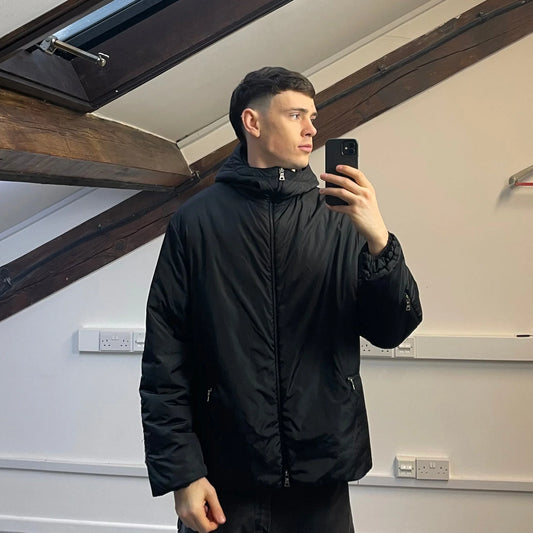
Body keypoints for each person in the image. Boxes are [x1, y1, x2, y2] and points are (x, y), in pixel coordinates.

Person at [140, 66, 422, 533]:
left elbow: (391, 330)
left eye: (313, 117)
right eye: (296, 115)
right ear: (252, 122)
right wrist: (182, 474)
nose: (311, 129)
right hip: (224, 479)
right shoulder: (196, 222)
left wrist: (379, 240)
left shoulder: (342, 218)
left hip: (322, 480)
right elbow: (164, 360)